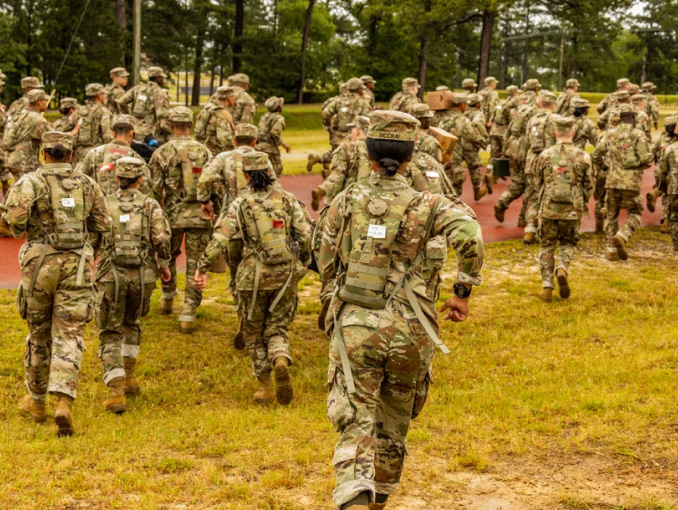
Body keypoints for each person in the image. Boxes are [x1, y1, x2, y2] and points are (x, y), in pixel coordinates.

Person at [317, 110, 484, 510]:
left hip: (356, 326)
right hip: (412, 329)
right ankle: (380, 501)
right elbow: (471, 237)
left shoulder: (346, 200)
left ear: (368, 155)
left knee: (356, 419)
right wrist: (461, 292)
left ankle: (355, 491)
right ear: (410, 157)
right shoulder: (430, 203)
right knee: (395, 423)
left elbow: (322, 257)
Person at [4, 131, 111, 437]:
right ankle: (63, 400)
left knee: (38, 332)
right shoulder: (87, 184)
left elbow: (17, 224)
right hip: (77, 266)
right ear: (71, 153)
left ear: (44, 153)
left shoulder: (29, 182)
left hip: (39, 265)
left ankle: (36, 402)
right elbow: (103, 224)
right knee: (70, 332)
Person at [195, 151, 312, 406]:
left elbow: (221, 238)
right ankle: (280, 356)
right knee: (278, 325)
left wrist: (202, 267)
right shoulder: (289, 200)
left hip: (252, 277)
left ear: (246, 176)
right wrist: (305, 262)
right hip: (285, 276)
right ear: (269, 173)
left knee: (253, 331)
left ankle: (265, 387)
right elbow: (305, 236)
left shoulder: (240, 204)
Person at [95, 157, 172, 413]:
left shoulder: (104, 203)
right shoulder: (150, 205)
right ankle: (129, 377)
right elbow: (161, 240)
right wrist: (164, 265)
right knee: (132, 323)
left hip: (110, 276)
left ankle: (116, 391)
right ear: (141, 179)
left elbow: (93, 238)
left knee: (109, 330)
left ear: (117, 178)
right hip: (142, 276)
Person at [150, 106, 212, 332]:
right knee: (196, 262)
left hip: (171, 216)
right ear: (190, 125)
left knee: (168, 255)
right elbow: (212, 184)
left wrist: (154, 218)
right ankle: (188, 311)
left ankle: (167, 296)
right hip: (199, 216)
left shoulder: (162, 153)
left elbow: (154, 191)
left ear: (170, 125)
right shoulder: (204, 152)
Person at [533, 116, 593, 301]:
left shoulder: (544, 155)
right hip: (573, 209)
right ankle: (562, 268)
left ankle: (547, 287)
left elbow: (537, 182)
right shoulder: (583, 156)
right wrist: (581, 202)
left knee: (547, 245)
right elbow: (589, 185)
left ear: (555, 132)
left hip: (549, 208)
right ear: (573, 133)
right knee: (568, 243)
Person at [591, 104, 653, 261]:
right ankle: (622, 235)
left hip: (611, 181)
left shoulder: (609, 134)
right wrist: (639, 166)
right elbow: (646, 158)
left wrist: (606, 167)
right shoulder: (637, 134)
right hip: (631, 182)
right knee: (635, 211)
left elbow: (595, 155)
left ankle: (611, 249)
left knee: (611, 214)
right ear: (632, 117)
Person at [495, 80, 541, 225]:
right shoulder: (536, 110)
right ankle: (524, 219)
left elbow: (508, 128)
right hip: (525, 149)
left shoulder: (520, 108)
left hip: (512, 148)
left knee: (518, 182)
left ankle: (503, 201)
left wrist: (504, 152)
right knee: (531, 185)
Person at [76, 114, 152, 196]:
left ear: (113, 133)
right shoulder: (136, 159)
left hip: (98, 206)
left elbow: (78, 180)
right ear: (131, 133)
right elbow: (146, 189)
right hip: (125, 207)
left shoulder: (93, 153)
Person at [435, 94, 487, 199]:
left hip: (438, 157)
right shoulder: (461, 120)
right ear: (462, 105)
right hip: (452, 160)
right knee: (454, 190)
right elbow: (474, 137)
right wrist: (484, 142)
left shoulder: (439, 116)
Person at [522, 91, 557, 243]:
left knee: (532, 196)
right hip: (546, 163)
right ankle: (545, 231)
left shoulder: (532, 119)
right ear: (553, 105)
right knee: (547, 196)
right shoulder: (553, 119)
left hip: (531, 162)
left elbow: (526, 143)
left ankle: (530, 228)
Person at [2, 89, 49, 182]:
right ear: (39, 102)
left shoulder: (19, 115)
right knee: (25, 191)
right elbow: (54, 137)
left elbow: (7, 142)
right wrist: (75, 130)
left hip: (13, 159)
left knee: (17, 189)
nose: (46, 103)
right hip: (25, 162)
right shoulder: (37, 118)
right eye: (44, 100)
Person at [118, 66, 171, 143]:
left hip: (135, 131)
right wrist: (170, 132)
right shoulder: (159, 93)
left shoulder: (138, 89)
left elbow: (121, 102)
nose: (163, 80)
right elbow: (162, 116)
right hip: (151, 135)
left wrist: (129, 116)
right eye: (162, 78)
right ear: (158, 78)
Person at [72, 83, 113, 166]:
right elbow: (107, 135)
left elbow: (73, 127)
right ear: (99, 96)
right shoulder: (103, 111)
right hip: (95, 153)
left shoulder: (79, 110)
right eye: (103, 94)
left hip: (78, 153)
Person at [462, 93, 490, 201]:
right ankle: (477, 190)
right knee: (474, 167)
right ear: (477, 103)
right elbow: (479, 125)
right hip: (471, 143)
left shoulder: (462, 111)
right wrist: (484, 137)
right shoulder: (478, 114)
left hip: (460, 142)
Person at [194, 85, 235, 155]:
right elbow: (225, 139)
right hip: (215, 153)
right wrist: (234, 151)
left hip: (201, 149)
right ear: (229, 98)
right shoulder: (223, 114)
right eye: (233, 97)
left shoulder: (208, 107)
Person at [257, 96, 291, 177]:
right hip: (270, 149)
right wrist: (283, 144)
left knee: (261, 171)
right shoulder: (279, 118)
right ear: (279, 107)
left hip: (258, 146)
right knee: (276, 171)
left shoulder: (264, 116)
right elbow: (274, 133)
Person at [657, 125, 678, 251]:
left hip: (674, 188)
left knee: (675, 217)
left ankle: (677, 244)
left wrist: (661, 187)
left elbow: (663, 171)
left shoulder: (670, 148)